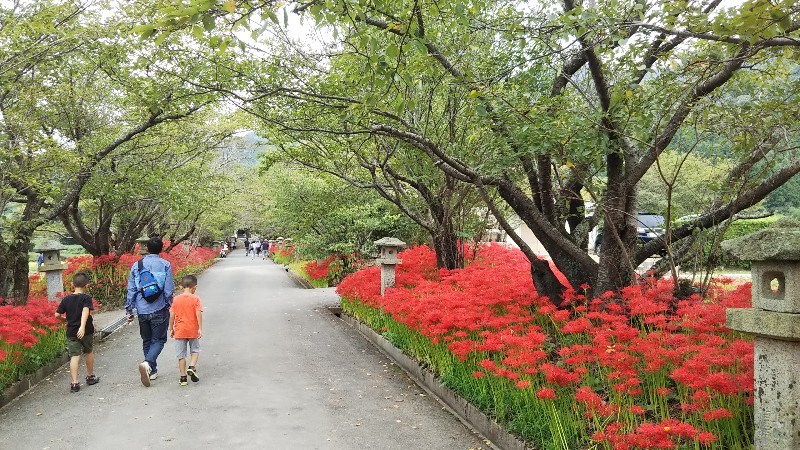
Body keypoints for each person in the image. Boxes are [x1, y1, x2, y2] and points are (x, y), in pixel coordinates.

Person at [125, 237, 175, 387]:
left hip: (142, 309)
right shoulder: (165, 264)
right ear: (161, 249)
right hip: (159, 308)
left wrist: (129, 308)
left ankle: (152, 371)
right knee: (159, 340)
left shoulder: (137, 265)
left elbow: (131, 289)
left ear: (146, 248)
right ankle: (148, 363)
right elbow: (168, 289)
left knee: (147, 340)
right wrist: (169, 305)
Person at [55, 272, 99, 393]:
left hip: (72, 331)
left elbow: (57, 314)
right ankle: (90, 376)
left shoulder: (66, 299)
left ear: (72, 284)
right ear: (86, 285)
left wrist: (65, 320)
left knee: (74, 356)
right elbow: (86, 311)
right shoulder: (86, 298)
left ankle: (74, 383)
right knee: (88, 352)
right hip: (86, 331)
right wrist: (82, 327)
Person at [169, 275, 203, 386]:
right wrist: (200, 328)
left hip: (180, 330)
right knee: (195, 350)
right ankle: (192, 367)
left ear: (181, 287)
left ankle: (183, 378)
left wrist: (171, 328)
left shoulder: (176, 299)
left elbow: (172, 315)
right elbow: (198, 313)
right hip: (192, 329)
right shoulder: (196, 298)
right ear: (195, 287)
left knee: (181, 355)